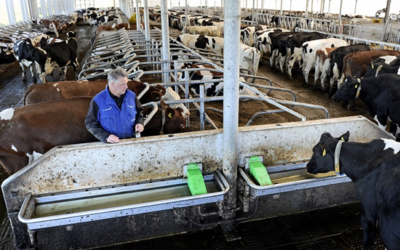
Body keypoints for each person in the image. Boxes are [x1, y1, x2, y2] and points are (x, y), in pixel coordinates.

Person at [85, 67, 144, 143]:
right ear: (112, 84)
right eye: (123, 84)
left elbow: (140, 112)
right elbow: (90, 123)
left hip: (131, 141)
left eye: (126, 83)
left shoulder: (132, 96)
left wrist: (140, 122)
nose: (126, 87)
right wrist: (105, 136)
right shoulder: (98, 100)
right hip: (110, 145)